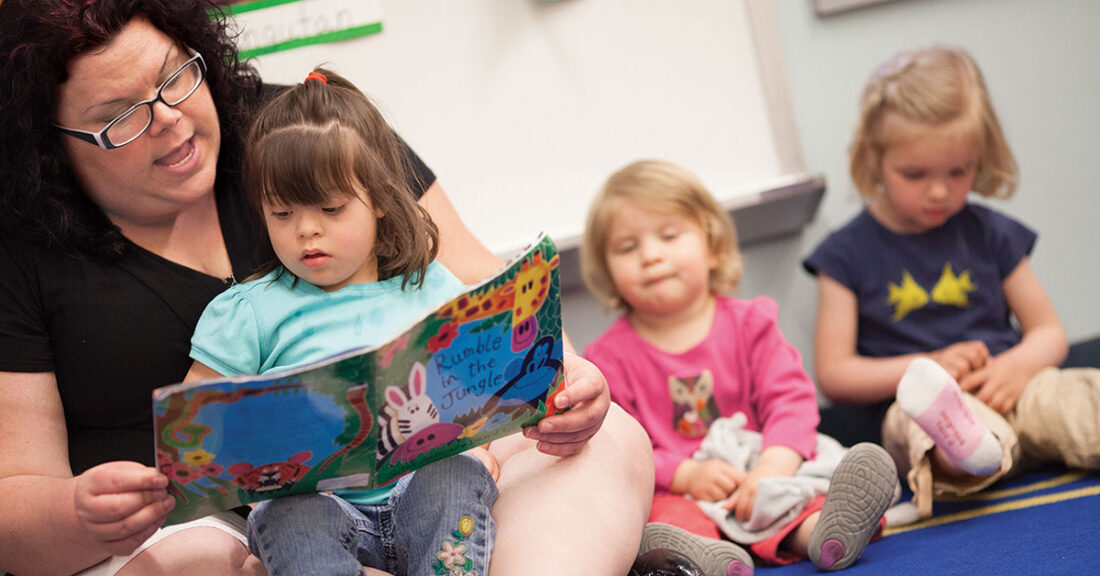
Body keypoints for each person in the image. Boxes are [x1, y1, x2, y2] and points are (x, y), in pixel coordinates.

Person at [0, 1, 653, 575]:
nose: (169, 117)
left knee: (605, 442)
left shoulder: (307, 133)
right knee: (197, 561)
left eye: (176, 76)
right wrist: (80, 516)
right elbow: (16, 499)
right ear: (48, 148)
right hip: (222, 535)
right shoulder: (23, 248)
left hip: (431, 484)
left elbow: (487, 292)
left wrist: (561, 382)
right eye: (121, 118)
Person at [180, 66, 500, 576]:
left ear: (379, 200)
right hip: (324, 511)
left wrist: (481, 443)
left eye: (331, 208)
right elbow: (195, 429)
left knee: (455, 473)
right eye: (281, 214)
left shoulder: (431, 288)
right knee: (288, 514)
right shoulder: (247, 313)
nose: (307, 231)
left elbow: (485, 385)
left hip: (422, 497)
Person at [803, 45, 1100, 520]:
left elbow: (1048, 331)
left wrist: (1020, 364)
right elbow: (836, 373)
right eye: (915, 174)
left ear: (980, 158)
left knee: (1078, 398)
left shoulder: (990, 232)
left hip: (1016, 385)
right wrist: (926, 368)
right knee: (924, 432)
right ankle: (967, 453)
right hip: (924, 409)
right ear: (875, 159)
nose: (939, 190)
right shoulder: (844, 254)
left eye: (958, 171)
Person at [581, 160, 897, 573]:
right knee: (660, 520)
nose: (651, 256)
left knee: (794, 499)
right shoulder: (606, 360)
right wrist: (686, 474)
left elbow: (792, 401)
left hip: (761, 472)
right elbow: (616, 447)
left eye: (669, 235)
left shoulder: (751, 324)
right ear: (608, 271)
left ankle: (826, 534)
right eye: (627, 248)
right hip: (678, 491)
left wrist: (772, 465)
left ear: (712, 246)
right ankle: (703, 560)